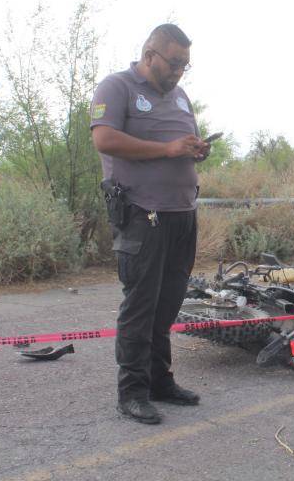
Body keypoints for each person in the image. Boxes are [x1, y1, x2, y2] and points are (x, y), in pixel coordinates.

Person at [90, 24, 210, 424]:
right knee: (140, 308)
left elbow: (181, 147)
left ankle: (160, 381)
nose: (178, 72)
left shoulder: (180, 97)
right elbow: (105, 140)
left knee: (167, 307)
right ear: (149, 54)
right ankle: (133, 393)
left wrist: (195, 150)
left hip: (181, 215)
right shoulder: (117, 87)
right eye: (173, 63)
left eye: (184, 66)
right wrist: (167, 149)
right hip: (143, 215)